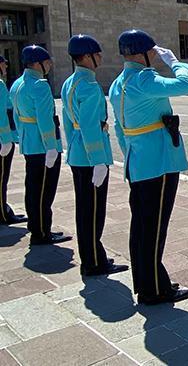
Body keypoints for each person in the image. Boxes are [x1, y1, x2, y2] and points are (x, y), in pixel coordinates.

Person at [108, 29, 188, 305]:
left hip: (139, 161)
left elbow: (120, 130)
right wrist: (176, 63)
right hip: (158, 163)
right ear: (143, 53)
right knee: (154, 228)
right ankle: (154, 289)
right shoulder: (144, 79)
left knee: (143, 227)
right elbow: (187, 84)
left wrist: (133, 154)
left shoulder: (118, 83)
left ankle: (149, 282)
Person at [61, 35, 128, 276]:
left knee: (85, 209)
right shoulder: (89, 86)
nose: (100, 57)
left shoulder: (70, 83)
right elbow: (90, 126)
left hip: (79, 154)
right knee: (93, 212)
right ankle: (93, 262)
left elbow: (70, 124)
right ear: (87, 56)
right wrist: (99, 160)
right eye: (97, 53)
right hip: (91, 158)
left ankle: (93, 256)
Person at [10, 46, 70, 245]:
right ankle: (42, 232)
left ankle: (36, 227)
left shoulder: (17, 84)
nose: (50, 65)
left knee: (33, 189)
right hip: (43, 146)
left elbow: (17, 117)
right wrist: (51, 146)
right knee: (44, 191)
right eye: (47, 61)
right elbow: (45, 120)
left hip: (29, 143)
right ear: (37, 63)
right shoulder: (39, 85)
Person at [0, 55, 27, 226]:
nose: (6, 66)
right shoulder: (0, 85)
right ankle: (2, 213)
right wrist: (5, 138)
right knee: (2, 178)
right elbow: (2, 114)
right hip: (2, 139)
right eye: (3, 63)